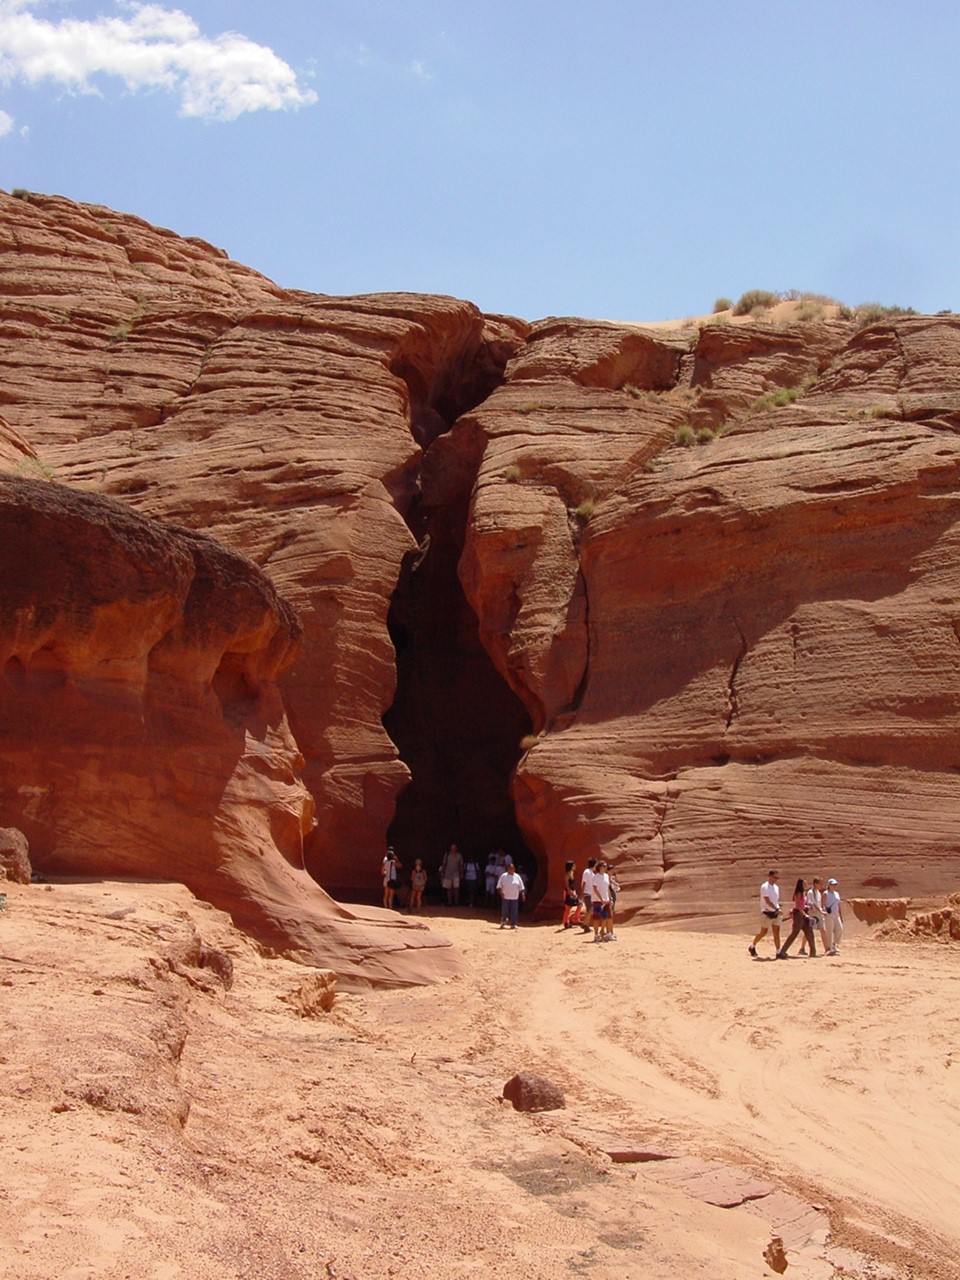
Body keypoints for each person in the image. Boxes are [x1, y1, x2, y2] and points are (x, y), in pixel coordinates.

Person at [777, 878, 817, 958]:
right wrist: (804, 914)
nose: (806, 885)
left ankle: (813, 953)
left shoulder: (803, 893)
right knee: (794, 933)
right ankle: (782, 951)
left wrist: (808, 907)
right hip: (799, 915)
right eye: (804, 884)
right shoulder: (798, 893)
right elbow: (798, 906)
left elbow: (802, 905)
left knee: (809, 932)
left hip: (803, 914)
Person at [749, 870, 782, 957]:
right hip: (767, 913)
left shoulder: (776, 888)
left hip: (776, 913)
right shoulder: (765, 887)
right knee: (763, 932)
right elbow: (767, 900)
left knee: (776, 932)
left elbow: (775, 900)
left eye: (777, 878)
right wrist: (776, 908)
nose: (776, 879)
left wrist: (778, 908)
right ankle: (752, 946)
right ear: (770, 876)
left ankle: (778, 952)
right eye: (775, 877)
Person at [798, 877, 826, 956]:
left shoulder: (818, 892)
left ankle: (827, 948)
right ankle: (802, 948)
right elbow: (812, 903)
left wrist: (821, 910)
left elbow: (818, 904)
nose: (821, 885)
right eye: (820, 884)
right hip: (813, 914)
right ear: (815, 884)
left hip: (819, 914)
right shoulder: (810, 892)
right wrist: (821, 911)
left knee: (823, 930)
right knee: (809, 932)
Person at [497, 860, 525, 929]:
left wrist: (523, 895)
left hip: (514, 897)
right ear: (508, 869)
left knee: (514, 911)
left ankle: (514, 924)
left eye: (513, 868)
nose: (511, 869)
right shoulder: (503, 876)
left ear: (514, 869)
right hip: (506, 897)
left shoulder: (517, 876)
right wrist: (501, 893)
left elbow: (521, 887)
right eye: (510, 868)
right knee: (505, 911)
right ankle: (504, 920)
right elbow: (499, 886)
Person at [591, 860, 614, 941]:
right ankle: (596, 935)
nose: (606, 867)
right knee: (597, 918)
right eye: (604, 866)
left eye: (606, 866)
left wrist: (610, 898)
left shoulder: (606, 876)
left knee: (609, 917)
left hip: (606, 900)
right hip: (597, 901)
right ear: (600, 867)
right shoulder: (596, 877)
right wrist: (601, 899)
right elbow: (595, 889)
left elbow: (608, 888)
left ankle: (608, 934)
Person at [823, 877, 844, 955]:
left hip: (836, 915)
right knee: (829, 931)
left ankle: (835, 944)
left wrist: (841, 916)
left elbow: (838, 905)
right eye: (833, 885)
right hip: (829, 915)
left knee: (840, 929)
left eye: (835, 885)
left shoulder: (836, 894)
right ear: (829, 885)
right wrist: (824, 912)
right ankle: (829, 948)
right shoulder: (825, 893)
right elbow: (822, 904)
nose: (834, 886)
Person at [561, 860, 581, 929]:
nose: (575, 866)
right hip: (568, 892)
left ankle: (575, 919)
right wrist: (571, 892)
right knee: (568, 908)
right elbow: (567, 885)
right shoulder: (567, 875)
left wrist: (574, 892)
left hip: (572, 891)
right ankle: (566, 922)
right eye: (574, 865)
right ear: (571, 866)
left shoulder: (572, 873)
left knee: (579, 904)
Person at [580, 858, 597, 933]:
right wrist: (582, 893)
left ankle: (586, 926)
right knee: (591, 909)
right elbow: (584, 883)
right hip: (587, 894)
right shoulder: (587, 872)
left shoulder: (592, 873)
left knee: (589, 910)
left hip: (591, 894)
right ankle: (584, 923)